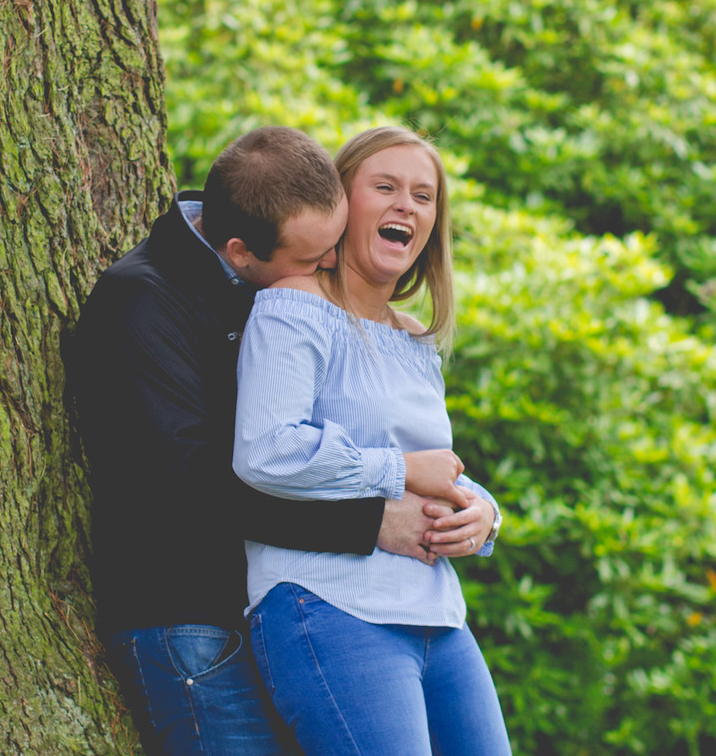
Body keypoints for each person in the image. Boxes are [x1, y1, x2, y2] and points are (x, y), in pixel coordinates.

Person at [70, 126, 472, 756]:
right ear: (239, 252)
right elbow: (191, 483)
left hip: (250, 604)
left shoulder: (262, 251)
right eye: (315, 259)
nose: (328, 267)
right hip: (185, 617)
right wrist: (370, 523)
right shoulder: (144, 302)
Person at [232, 126, 510, 756]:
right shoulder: (292, 308)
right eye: (384, 187)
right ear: (340, 205)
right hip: (329, 605)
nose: (405, 206)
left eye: (423, 195)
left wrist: (484, 514)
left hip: (438, 615)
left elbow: (432, 467)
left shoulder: (414, 338)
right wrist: (399, 471)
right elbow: (267, 450)